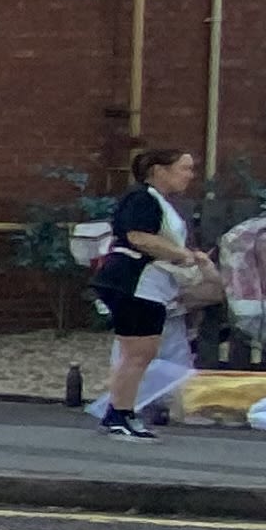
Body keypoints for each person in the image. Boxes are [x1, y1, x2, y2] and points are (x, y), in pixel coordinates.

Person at [93, 146, 199, 438]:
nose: (190, 175)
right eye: (184, 168)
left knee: (139, 352)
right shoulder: (142, 198)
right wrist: (182, 254)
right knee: (139, 352)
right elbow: (138, 237)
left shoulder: (158, 202)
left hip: (149, 286)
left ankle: (119, 411)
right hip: (137, 283)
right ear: (160, 171)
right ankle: (120, 413)